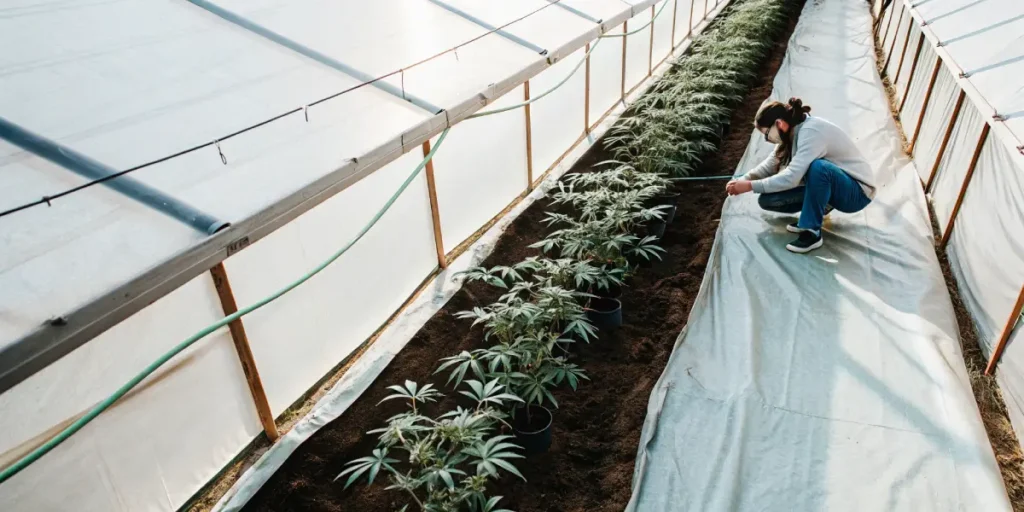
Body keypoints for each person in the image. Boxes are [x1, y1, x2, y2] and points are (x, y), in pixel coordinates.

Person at [725, 97, 876, 253]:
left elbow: (792, 177)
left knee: (819, 167)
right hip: (836, 186)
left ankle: (812, 231)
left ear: (779, 124)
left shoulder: (811, 132)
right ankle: (816, 210)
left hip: (856, 193)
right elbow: (769, 165)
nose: (767, 139)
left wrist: (750, 186)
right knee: (768, 200)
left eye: (766, 134)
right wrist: (742, 181)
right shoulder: (790, 134)